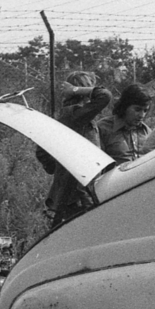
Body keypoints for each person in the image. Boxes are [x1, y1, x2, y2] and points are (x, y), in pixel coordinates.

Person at [43, 72, 113, 226]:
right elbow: (105, 96)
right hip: (80, 197)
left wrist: (58, 169)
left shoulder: (71, 116)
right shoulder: (77, 115)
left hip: (75, 195)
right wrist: (76, 90)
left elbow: (41, 151)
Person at [98, 84, 151, 163]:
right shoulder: (103, 128)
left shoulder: (146, 131)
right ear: (125, 106)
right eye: (137, 109)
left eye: (145, 111)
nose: (142, 115)